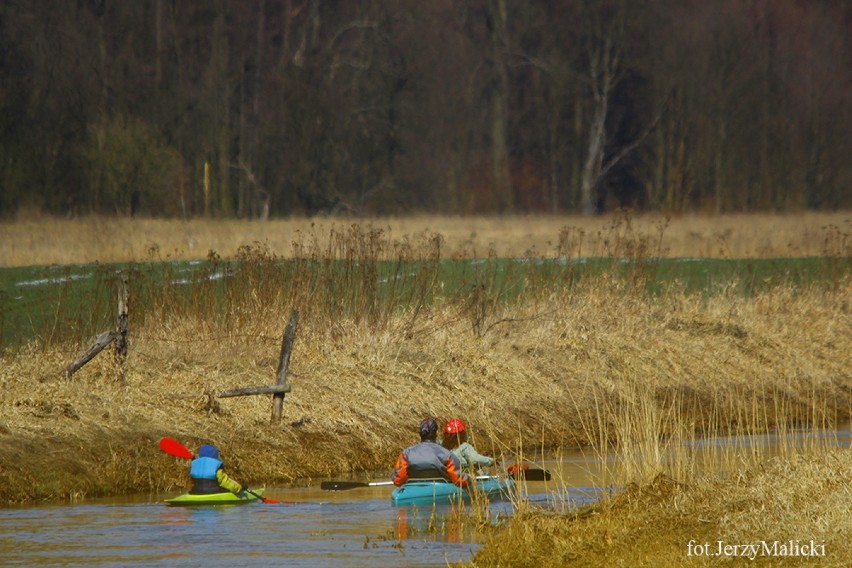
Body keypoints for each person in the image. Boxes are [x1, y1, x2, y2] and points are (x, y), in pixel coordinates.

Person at [392, 417, 471, 487]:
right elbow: (460, 480)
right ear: (436, 433)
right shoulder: (447, 454)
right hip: (440, 489)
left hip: (412, 490)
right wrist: (470, 479)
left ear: (420, 434)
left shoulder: (406, 453)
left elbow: (397, 480)